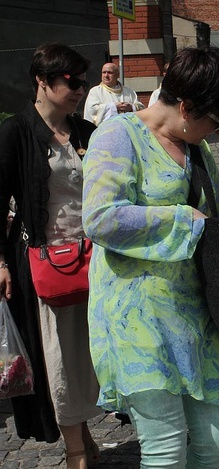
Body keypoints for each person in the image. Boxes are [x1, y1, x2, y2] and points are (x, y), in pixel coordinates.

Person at [81, 46, 219, 467]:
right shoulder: (118, 134)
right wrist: (184, 220)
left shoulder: (197, 150)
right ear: (187, 107)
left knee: (217, 443)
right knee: (166, 449)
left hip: (196, 313)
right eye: (215, 121)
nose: (217, 131)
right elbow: (100, 218)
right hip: (137, 317)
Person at [0, 42, 101, 469]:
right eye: (70, 81)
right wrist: (1, 262)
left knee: (91, 355)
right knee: (60, 358)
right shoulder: (16, 132)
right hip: (46, 267)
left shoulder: (87, 131)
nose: (80, 88)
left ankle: (86, 433)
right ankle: (76, 450)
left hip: (94, 259)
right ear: (42, 81)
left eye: (83, 81)